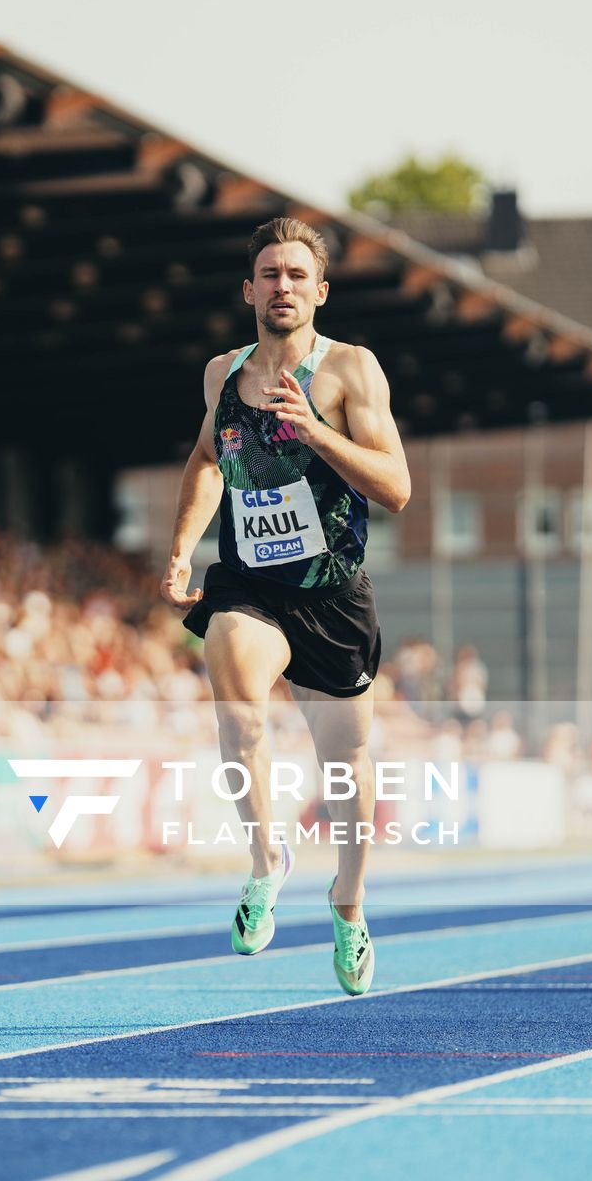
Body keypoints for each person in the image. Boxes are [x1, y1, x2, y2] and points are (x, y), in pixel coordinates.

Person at [162, 217, 409, 997]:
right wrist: (180, 548)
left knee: (347, 765)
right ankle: (267, 857)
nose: (283, 287)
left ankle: (349, 903)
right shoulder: (221, 375)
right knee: (234, 689)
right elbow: (208, 459)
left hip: (332, 593)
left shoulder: (349, 372)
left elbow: (396, 488)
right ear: (249, 290)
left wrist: (316, 430)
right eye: (270, 274)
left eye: (297, 275)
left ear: (319, 291)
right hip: (250, 581)